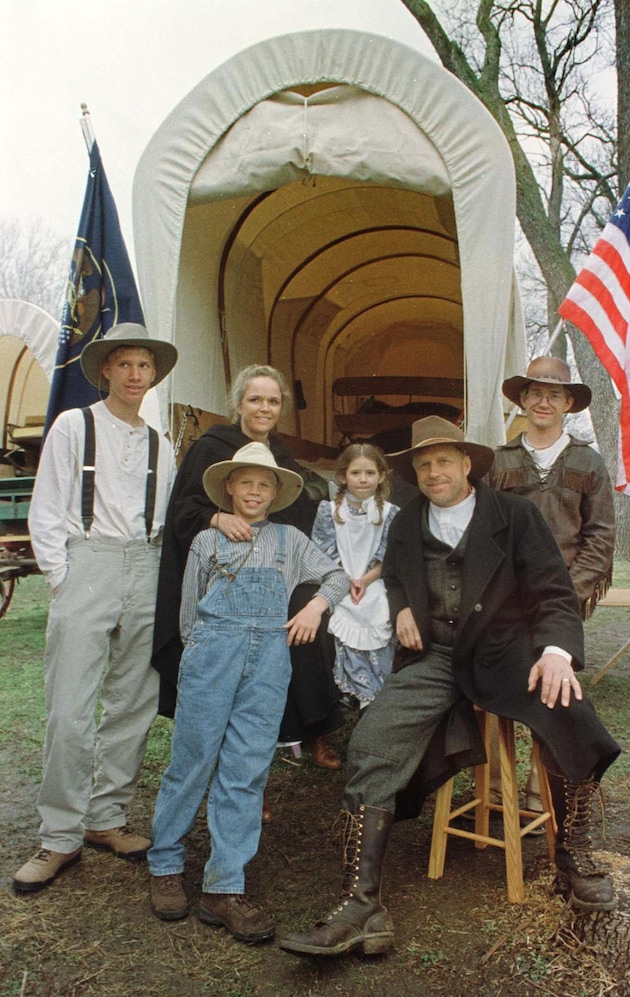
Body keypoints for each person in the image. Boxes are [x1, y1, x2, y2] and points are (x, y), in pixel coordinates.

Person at [279, 415, 620, 959]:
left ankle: (572, 857)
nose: (434, 472)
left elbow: (554, 589)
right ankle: (362, 904)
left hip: (509, 653)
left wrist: (556, 652)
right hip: (435, 656)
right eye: (423, 464)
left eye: (443, 461)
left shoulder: (515, 515)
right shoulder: (409, 517)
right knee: (372, 742)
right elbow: (393, 572)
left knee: (569, 712)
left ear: (467, 465)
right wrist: (405, 604)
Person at [147, 443, 349, 942]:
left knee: (247, 767)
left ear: (276, 492)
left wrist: (313, 608)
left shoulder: (290, 539)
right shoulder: (205, 541)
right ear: (229, 488)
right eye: (246, 482)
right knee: (191, 761)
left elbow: (338, 575)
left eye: (264, 484)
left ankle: (224, 885)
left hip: (269, 663)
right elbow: (188, 614)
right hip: (212, 655)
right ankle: (166, 866)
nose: (254, 491)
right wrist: (203, 656)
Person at [13, 323, 178, 894]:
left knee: (133, 700)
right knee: (70, 705)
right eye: (125, 365)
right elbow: (47, 505)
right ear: (105, 369)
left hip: (147, 563)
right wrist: (63, 577)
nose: (135, 375)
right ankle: (58, 834)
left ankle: (106, 818)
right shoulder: (72, 426)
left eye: (144, 366)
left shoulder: (162, 442)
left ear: (154, 374)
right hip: (88, 562)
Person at [151, 365, 344, 789]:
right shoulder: (213, 447)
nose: (264, 408)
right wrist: (216, 517)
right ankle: (239, 768)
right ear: (238, 404)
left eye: (273, 401)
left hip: (277, 569)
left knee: (305, 617)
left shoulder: (281, 455)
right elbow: (183, 510)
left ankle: (314, 726)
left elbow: (297, 511)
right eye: (255, 399)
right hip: (227, 571)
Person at [487, 355, 615, 813]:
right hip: (504, 599)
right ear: (522, 400)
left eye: (554, 394)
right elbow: (484, 531)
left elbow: (600, 539)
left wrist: (564, 593)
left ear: (568, 404)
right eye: (536, 393)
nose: (544, 401)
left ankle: (541, 786)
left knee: (555, 690)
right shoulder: (498, 462)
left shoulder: (588, 462)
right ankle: (497, 783)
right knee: (501, 687)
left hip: (564, 600)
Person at [311, 443, 399, 710]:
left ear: (382, 476)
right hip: (338, 579)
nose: (363, 479)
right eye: (356, 473)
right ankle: (352, 690)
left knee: (378, 608)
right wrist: (345, 580)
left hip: (373, 580)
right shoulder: (330, 510)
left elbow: (388, 555)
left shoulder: (390, 512)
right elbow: (322, 550)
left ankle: (377, 693)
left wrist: (366, 579)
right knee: (343, 613)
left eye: (370, 473)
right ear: (342, 477)